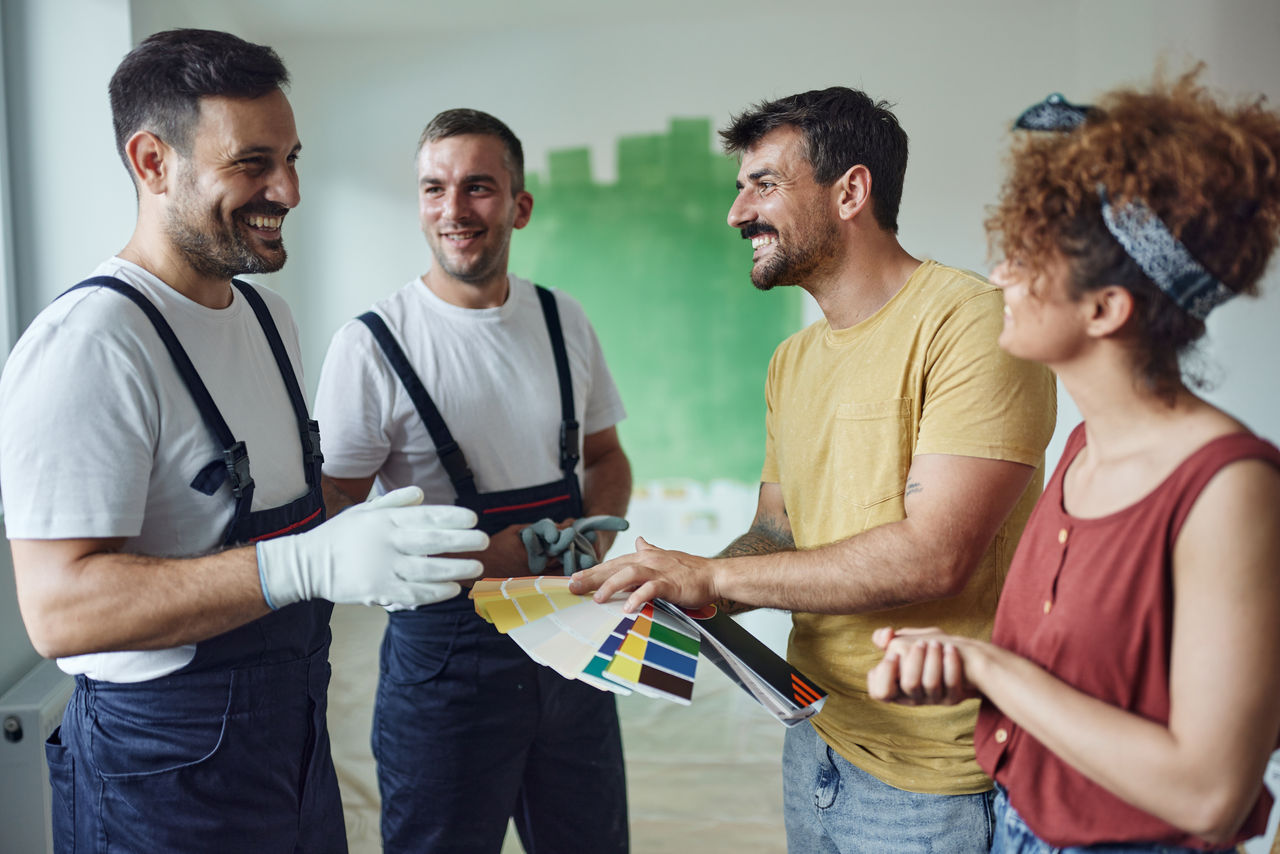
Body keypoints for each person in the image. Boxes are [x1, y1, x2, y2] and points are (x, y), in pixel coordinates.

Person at [0, 29, 487, 853]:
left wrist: (374, 551)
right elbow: (59, 611)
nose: (289, 188)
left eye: (291, 156)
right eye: (252, 163)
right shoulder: (93, 343)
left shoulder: (269, 319)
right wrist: (305, 564)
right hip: (159, 778)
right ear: (153, 162)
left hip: (289, 746)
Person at [571, 86, 1057, 852]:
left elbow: (937, 554)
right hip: (813, 731)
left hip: (932, 776)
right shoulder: (793, 360)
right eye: (741, 188)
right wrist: (667, 597)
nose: (737, 214)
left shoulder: (972, 322)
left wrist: (714, 579)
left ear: (851, 191)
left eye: (763, 184)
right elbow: (774, 531)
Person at [867, 73, 1280, 853]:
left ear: (1105, 309)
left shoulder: (1230, 489)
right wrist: (957, 664)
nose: (999, 278)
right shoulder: (1087, 443)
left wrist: (991, 671)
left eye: (1026, 259)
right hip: (1020, 826)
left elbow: (1211, 794)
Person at [313, 108, 632, 854]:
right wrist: (497, 561)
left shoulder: (563, 320)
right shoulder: (370, 346)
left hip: (573, 642)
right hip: (446, 672)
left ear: (519, 204)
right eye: (434, 188)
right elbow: (334, 530)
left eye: (478, 187)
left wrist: (593, 543)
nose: (453, 210)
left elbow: (608, 457)